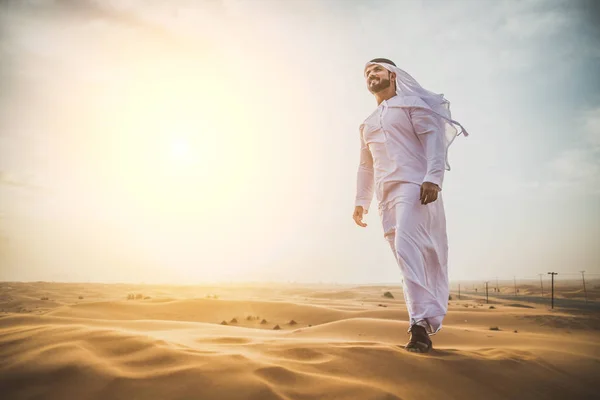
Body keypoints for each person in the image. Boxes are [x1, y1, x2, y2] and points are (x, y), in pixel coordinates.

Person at [353, 58, 468, 353]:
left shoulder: (412, 105)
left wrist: (433, 178)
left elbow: (434, 142)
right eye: (367, 72)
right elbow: (366, 167)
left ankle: (419, 326)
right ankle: (421, 320)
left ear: (392, 75)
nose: (371, 75)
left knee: (407, 246)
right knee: (405, 257)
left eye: (376, 69)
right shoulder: (366, 124)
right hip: (385, 196)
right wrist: (361, 202)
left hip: (415, 187)